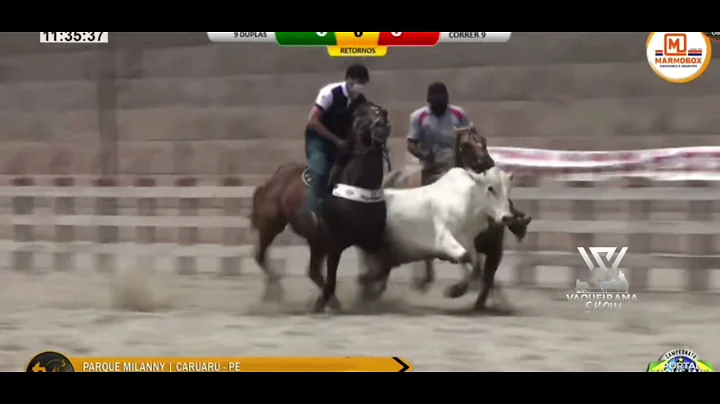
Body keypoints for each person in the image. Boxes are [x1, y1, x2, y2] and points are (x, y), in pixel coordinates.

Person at [407, 81, 528, 217]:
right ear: (429, 101)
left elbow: (470, 133)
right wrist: (423, 155)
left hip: (459, 158)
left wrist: (477, 144)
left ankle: (511, 213)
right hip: (434, 161)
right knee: (429, 193)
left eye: (442, 100)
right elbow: (411, 144)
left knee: (489, 178)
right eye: (436, 102)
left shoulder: (458, 113)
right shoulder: (419, 117)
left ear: (447, 98)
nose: (440, 105)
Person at [304, 63, 370, 229]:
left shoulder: (360, 100)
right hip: (319, 139)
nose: (360, 85)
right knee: (320, 171)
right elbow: (312, 120)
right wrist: (336, 141)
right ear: (348, 80)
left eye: (363, 82)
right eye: (357, 81)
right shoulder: (331, 93)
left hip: (342, 142)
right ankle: (316, 212)